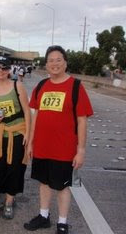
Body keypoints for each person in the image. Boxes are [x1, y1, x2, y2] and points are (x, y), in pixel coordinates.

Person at [23, 45, 93, 234]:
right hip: (42, 147)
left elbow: (82, 121)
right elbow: (36, 115)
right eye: (51, 60)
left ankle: (62, 222)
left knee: (62, 187)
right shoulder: (41, 86)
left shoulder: (76, 86)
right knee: (44, 183)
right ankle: (44, 216)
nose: (54, 64)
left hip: (65, 149)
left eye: (58, 60)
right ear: (46, 65)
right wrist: (30, 142)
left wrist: (81, 150)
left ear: (65, 63)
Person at [0, 56, 30, 219]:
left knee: (15, 168)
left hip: (18, 133)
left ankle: (10, 201)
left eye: (4, 68)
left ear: (9, 69)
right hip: (0, 133)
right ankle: (7, 197)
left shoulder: (17, 86)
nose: (1, 71)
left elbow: (27, 111)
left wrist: (29, 136)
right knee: (0, 167)